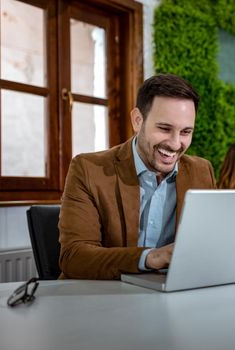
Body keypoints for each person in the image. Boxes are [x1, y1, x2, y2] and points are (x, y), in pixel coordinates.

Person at [59, 73, 217, 280]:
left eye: (186, 132)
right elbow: (74, 257)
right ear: (137, 120)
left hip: (173, 296)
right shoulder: (88, 169)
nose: (175, 143)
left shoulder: (202, 171)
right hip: (104, 298)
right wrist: (152, 257)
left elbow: (209, 244)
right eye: (164, 128)